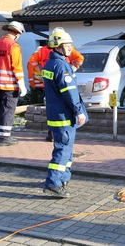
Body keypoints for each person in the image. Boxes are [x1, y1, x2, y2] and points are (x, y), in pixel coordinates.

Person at [42, 29, 88, 198]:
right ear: (58, 46)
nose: (70, 48)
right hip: (64, 116)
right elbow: (69, 92)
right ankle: (53, 183)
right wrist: (78, 111)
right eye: (67, 45)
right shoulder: (61, 65)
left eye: (70, 44)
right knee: (62, 150)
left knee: (66, 150)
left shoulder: (51, 63)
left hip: (56, 114)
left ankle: (63, 178)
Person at [27, 27, 84, 141]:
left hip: (49, 83)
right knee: (63, 105)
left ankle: (52, 133)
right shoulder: (67, 50)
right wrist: (71, 69)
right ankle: (59, 133)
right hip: (62, 79)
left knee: (51, 106)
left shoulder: (43, 50)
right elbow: (80, 59)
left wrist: (42, 72)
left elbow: (32, 61)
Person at [0, 21, 27, 146]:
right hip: (9, 85)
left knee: (0, 109)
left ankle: (1, 134)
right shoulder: (13, 46)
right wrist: (21, 84)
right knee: (8, 110)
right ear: (17, 34)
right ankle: (4, 138)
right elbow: (16, 66)